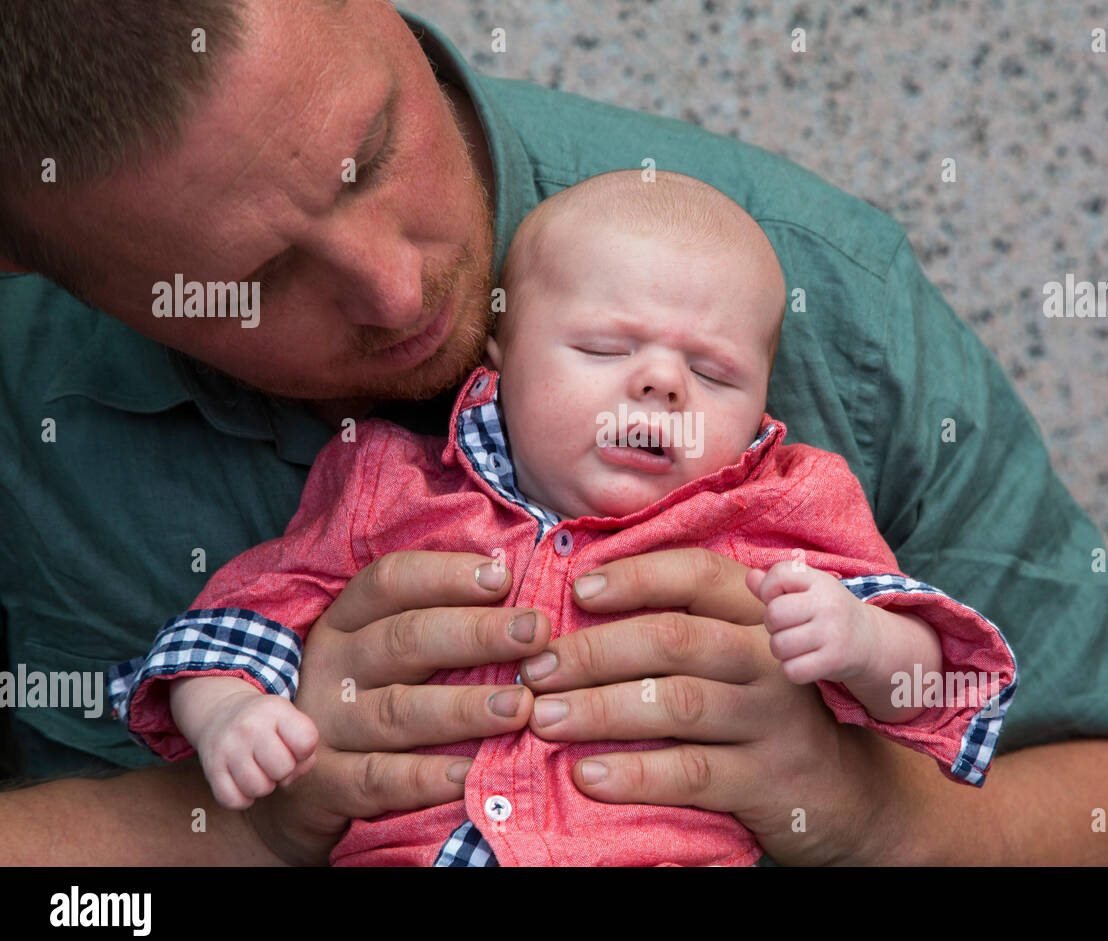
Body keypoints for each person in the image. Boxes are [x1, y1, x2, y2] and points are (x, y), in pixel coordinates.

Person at [0, 0, 1108, 865]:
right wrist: (233, 823)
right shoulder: (28, 369)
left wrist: (889, 821)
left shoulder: (818, 288)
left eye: (369, 156)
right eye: (251, 280)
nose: (398, 293)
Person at [106, 171, 1018, 866]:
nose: (661, 383)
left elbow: (937, 688)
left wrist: (861, 640)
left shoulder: (779, 507)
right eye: (603, 347)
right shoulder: (391, 486)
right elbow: (248, 616)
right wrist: (230, 715)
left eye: (714, 374)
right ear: (502, 351)